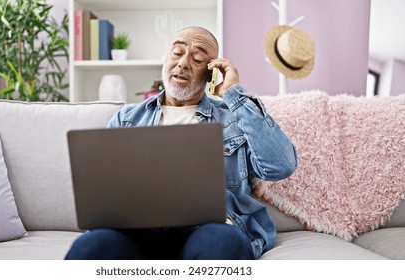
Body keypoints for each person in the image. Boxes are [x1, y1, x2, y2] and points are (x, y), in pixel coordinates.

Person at [65, 26, 297, 260]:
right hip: (137, 231)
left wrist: (233, 93)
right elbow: (104, 190)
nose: (183, 63)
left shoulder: (233, 119)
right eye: (177, 53)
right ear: (165, 60)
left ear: (210, 74)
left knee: (225, 245)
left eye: (197, 59)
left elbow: (280, 165)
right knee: (90, 247)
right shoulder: (127, 119)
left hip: (209, 230)